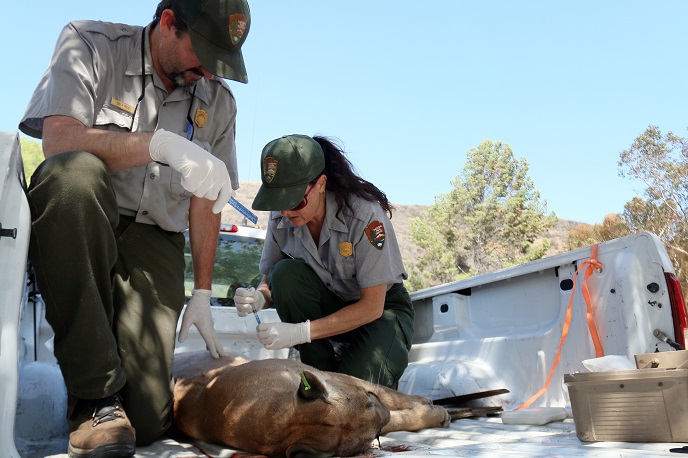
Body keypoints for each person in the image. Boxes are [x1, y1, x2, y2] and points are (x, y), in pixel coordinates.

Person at [18, 0, 250, 456]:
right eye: (202, 53)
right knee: (72, 178)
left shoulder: (219, 102)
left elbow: (209, 199)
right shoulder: (90, 44)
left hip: (154, 240)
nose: (207, 71)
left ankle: (113, 391)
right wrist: (158, 145)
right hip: (84, 217)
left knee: (145, 425)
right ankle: (96, 398)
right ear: (167, 23)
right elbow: (58, 141)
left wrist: (202, 292)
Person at [234, 134, 414, 389]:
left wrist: (300, 332)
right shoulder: (281, 219)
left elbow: (373, 306)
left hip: (381, 313)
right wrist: (260, 298)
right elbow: (271, 279)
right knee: (284, 275)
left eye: (295, 200)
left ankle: (364, 365)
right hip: (331, 308)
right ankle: (318, 373)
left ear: (320, 183)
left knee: (352, 394)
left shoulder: (364, 216)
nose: (286, 211)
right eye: (278, 201)